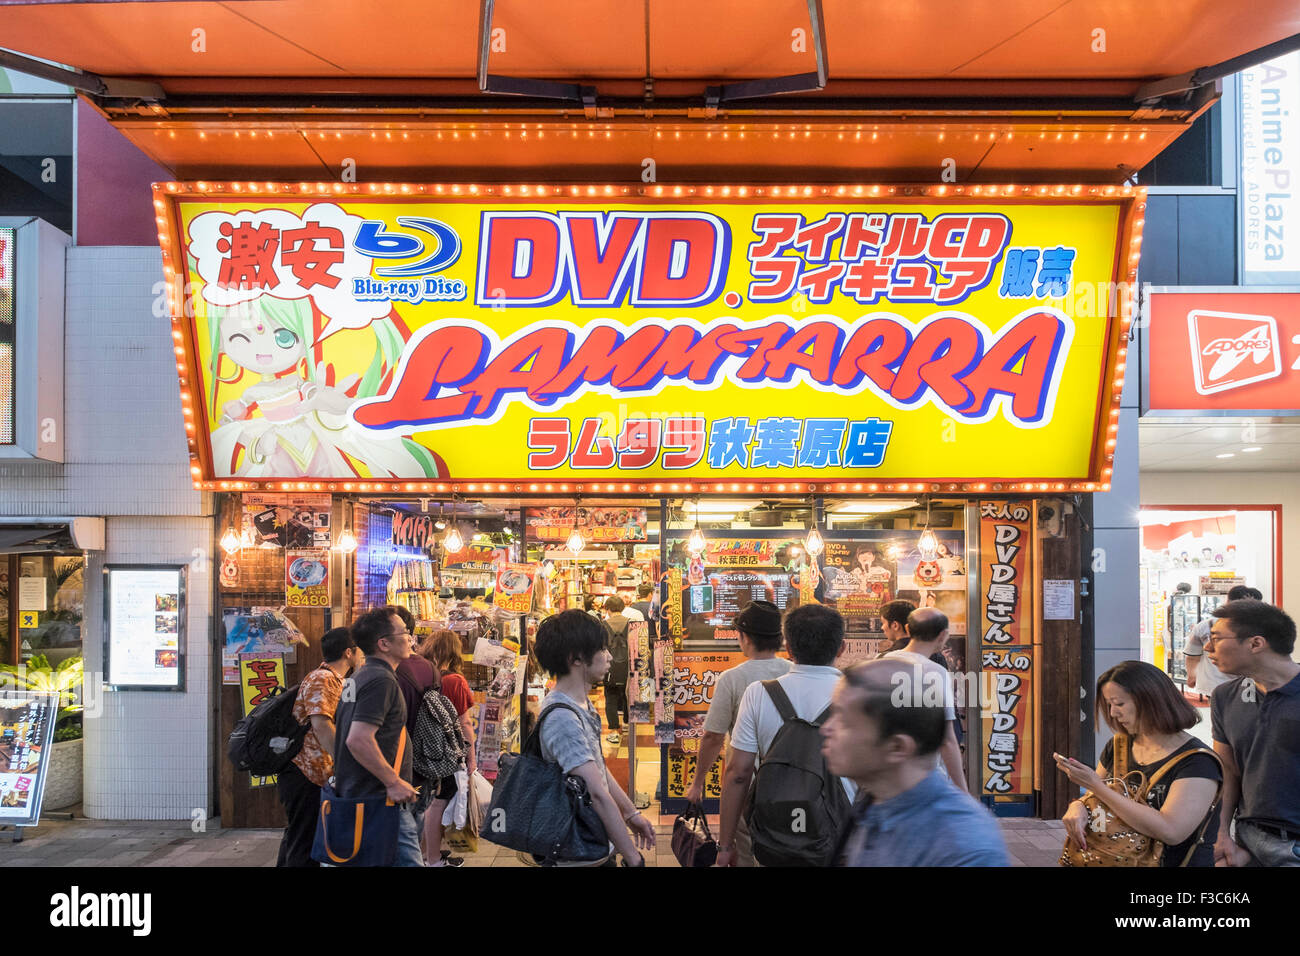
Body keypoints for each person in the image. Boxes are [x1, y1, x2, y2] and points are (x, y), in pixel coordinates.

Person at [822, 659, 1010, 866]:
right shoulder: (873, 806)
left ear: (897, 747)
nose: (826, 729)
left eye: (843, 721)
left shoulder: (965, 847)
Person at [717, 604, 855, 867]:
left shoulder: (758, 693)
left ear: (789, 649)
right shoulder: (862, 695)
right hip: (844, 837)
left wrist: (726, 845)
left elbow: (738, 774)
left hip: (776, 833)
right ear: (842, 648)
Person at [1055, 661, 1221, 866]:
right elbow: (1094, 799)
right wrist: (1078, 806)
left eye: (1119, 704)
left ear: (1151, 700)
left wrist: (1095, 786)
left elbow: (1171, 831)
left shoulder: (1198, 762)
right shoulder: (1119, 745)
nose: (1114, 713)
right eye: (1109, 705)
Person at [533, 609, 657, 866]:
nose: (610, 657)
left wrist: (630, 812)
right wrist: (633, 857)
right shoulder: (563, 718)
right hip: (576, 850)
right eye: (602, 649)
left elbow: (598, 768)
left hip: (591, 842)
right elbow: (596, 793)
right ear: (576, 658)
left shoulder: (579, 704)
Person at [683, 600, 791, 864]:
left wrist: (698, 782)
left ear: (743, 637)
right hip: (792, 781)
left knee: (745, 851)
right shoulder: (793, 671)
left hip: (748, 784)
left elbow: (713, 736)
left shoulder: (732, 678)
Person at [1204, 599, 1300, 867]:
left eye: (1217, 638)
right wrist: (1221, 834)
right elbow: (1228, 770)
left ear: (1256, 643)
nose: (1208, 648)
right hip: (1248, 841)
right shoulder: (1224, 696)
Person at [332, 607, 422, 866]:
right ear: (384, 643)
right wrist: (392, 781)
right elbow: (357, 739)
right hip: (380, 800)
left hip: (367, 797)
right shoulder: (381, 680)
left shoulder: (361, 675)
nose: (410, 638)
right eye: (404, 633)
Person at [276, 626, 363, 867]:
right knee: (304, 842)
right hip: (305, 774)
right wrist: (345, 762)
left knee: (299, 837)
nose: (362, 656)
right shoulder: (322, 679)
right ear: (348, 652)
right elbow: (321, 725)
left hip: (314, 774)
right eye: (360, 651)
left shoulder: (336, 680)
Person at [879, 607, 968, 791]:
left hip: (885, 773)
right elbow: (947, 739)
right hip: (924, 776)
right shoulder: (936, 673)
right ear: (943, 635)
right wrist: (963, 792)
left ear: (908, 630)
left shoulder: (881, 662)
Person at [414, 628, 479, 866]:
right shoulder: (455, 681)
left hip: (424, 748)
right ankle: (432, 858)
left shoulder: (424, 676)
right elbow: (465, 723)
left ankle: (425, 853)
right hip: (447, 750)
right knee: (439, 801)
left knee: (431, 799)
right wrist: (471, 757)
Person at [1185, 585, 1261, 697]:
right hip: (1230, 685)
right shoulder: (1261, 627)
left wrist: (1192, 675)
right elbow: (1192, 655)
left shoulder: (1205, 625)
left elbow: (1193, 655)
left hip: (1223, 685)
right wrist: (1192, 675)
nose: (1209, 647)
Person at [601, 595, 633, 744]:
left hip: (609, 668)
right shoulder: (631, 624)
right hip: (628, 667)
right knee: (627, 695)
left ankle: (614, 731)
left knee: (611, 698)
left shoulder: (603, 625)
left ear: (607, 609)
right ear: (622, 607)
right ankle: (627, 724)